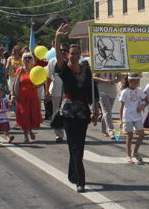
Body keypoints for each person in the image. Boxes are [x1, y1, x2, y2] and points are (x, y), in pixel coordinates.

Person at [54, 23, 100, 193]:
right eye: (71, 53)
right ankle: (80, 180)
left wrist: (96, 111)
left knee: (78, 145)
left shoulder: (87, 71)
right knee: (75, 146)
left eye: (76, 53)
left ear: (80, 55)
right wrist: (58, 36)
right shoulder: (65, 69)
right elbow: (59, 55)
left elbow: (92, 92)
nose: (74, 55)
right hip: (68, 112)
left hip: (83, 113)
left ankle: (72, 174)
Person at [11, 52, 43, 144]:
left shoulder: (35, 70)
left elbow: (41, 81)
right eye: (25, 58)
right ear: (22, 60)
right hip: (22, 98)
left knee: (31, 117)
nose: (27, 60)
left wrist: (38, 86)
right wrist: (12, 95)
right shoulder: (20, 70)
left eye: (29, 58)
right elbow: (14, 83)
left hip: (33, 97)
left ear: (32, 60)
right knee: (24, 117)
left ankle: (30, 130)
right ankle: (25, 136)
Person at [119, 72, 148, 165]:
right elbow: (122, 106)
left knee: (142, 134)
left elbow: (146, 100)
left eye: (138, 82)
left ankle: (135, 151)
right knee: (130, 136)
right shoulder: (125, 92)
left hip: (137, 116)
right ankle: (128, 155)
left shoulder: (139, 90)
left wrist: (142, 106)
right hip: (127, 116)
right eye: (135, 83)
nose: (136, 85)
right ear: (129, 81)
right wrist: (121, 120)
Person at [45, 43, 68, 142]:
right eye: (61, 50)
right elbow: (49, 77)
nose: (63, 52)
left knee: (68, 115)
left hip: (69, 93)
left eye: (65, 50)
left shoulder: (71, 62)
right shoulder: (52, 62)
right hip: (56, 92)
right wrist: (46, 91)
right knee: (57, 113)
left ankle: (69, 133)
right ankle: (59, 135)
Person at [93, 71, 122, 139]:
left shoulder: (114, 66)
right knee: (107, 112)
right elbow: (94, 77)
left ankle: (103, 130)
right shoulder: (100, 66)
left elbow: (119, 77)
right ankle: (111, 131)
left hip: (112, 91)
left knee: (106, 112)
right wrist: (104, 80)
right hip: (102, 91)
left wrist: (114, 81)